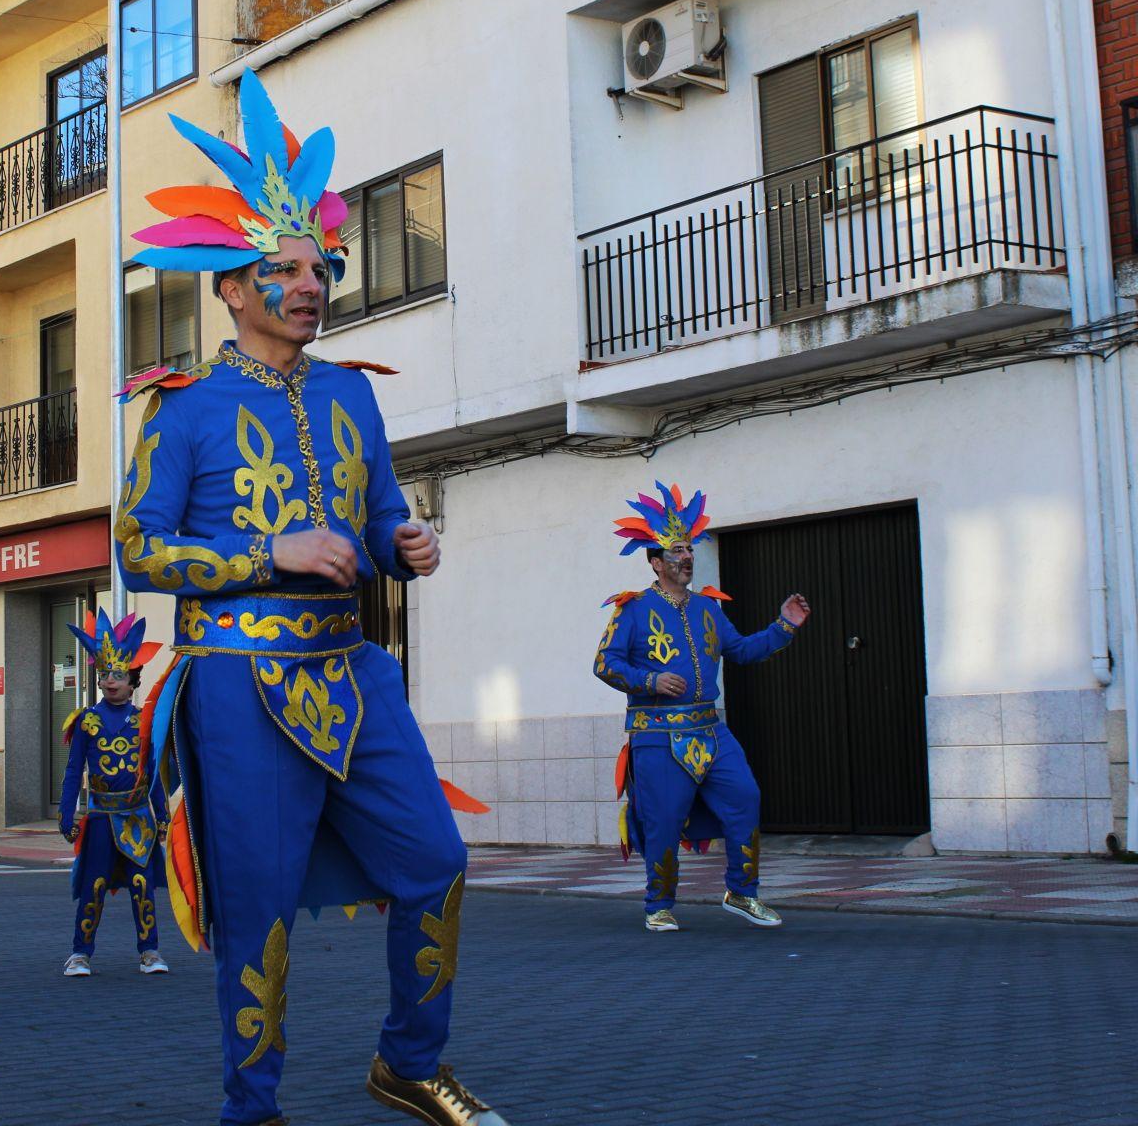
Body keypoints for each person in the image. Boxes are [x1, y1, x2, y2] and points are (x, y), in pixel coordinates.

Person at [119, 72, 504, 1126]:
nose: (309, 284)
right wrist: (266, 551)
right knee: (259, 911)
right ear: (230, 288)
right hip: (237, 683)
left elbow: (377, 511)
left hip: (352, 670)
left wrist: (404, 538)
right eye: (280, 269)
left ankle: (409, 1062)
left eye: (317, 264)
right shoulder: (184, 409)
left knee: (436, 861)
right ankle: (255, 1106)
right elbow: (137, 547)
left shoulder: (352, 392)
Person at [594, 483, 811, 931]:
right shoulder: (631, 611)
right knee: (663, 820)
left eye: (689, 549)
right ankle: (658, 905)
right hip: (657, 736)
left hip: (711, 730)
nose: (687, 557)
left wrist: (783, 628)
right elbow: (604, 664)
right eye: (676, 552)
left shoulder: (709, 609)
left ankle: (742, 893)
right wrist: (649, 679)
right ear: (656, 562)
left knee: (745, 798)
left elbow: (744, 651)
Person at [57, 608, 167, 979]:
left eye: (118, 674)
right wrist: (66, 811)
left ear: (133, 679)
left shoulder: (143, 722)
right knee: (94, 883)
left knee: (142, 884)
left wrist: (162, 814)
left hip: (137, 816)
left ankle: (149, 951)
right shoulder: (86, 720)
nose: (110, 681)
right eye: (105, 674)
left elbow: (151, 773)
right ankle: (80, 953)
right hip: (101, 815)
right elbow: (75, 770)